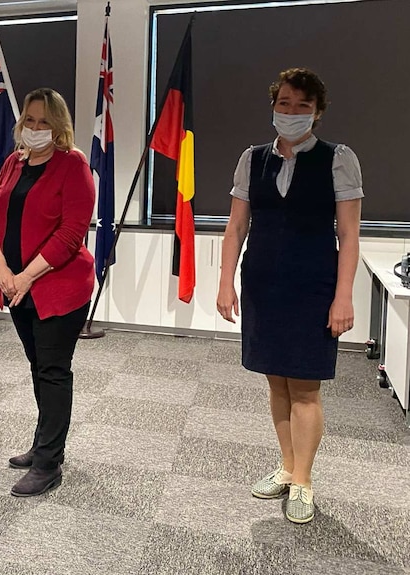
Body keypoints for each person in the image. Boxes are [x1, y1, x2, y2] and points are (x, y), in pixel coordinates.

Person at [217, 68, 362, 524]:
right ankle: (285, 466)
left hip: (312, 286)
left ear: (317, 112)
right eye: (284, 103)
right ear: (273, 106)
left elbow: (349, 235)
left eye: (302, 105)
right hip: (262, 283)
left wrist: (343, 297)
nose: (292, 112)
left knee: (304, 386)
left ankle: (304, 479)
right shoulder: (251, 159)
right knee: (275, 381)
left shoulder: (338, 158)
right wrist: (226, 281)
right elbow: (236, 227)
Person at [0, 88, 95, 497]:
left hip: (59, 288)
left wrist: (26, 276)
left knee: (52, 369)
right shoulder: (13, 162)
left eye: (44, 121)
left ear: (59, 125)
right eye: (29, 120)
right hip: (17, 287)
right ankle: (45, 443)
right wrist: (3, 272)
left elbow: (71, 233)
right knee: (37, 366)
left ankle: (49, 463)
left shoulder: (73, 165)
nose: (35, 128)